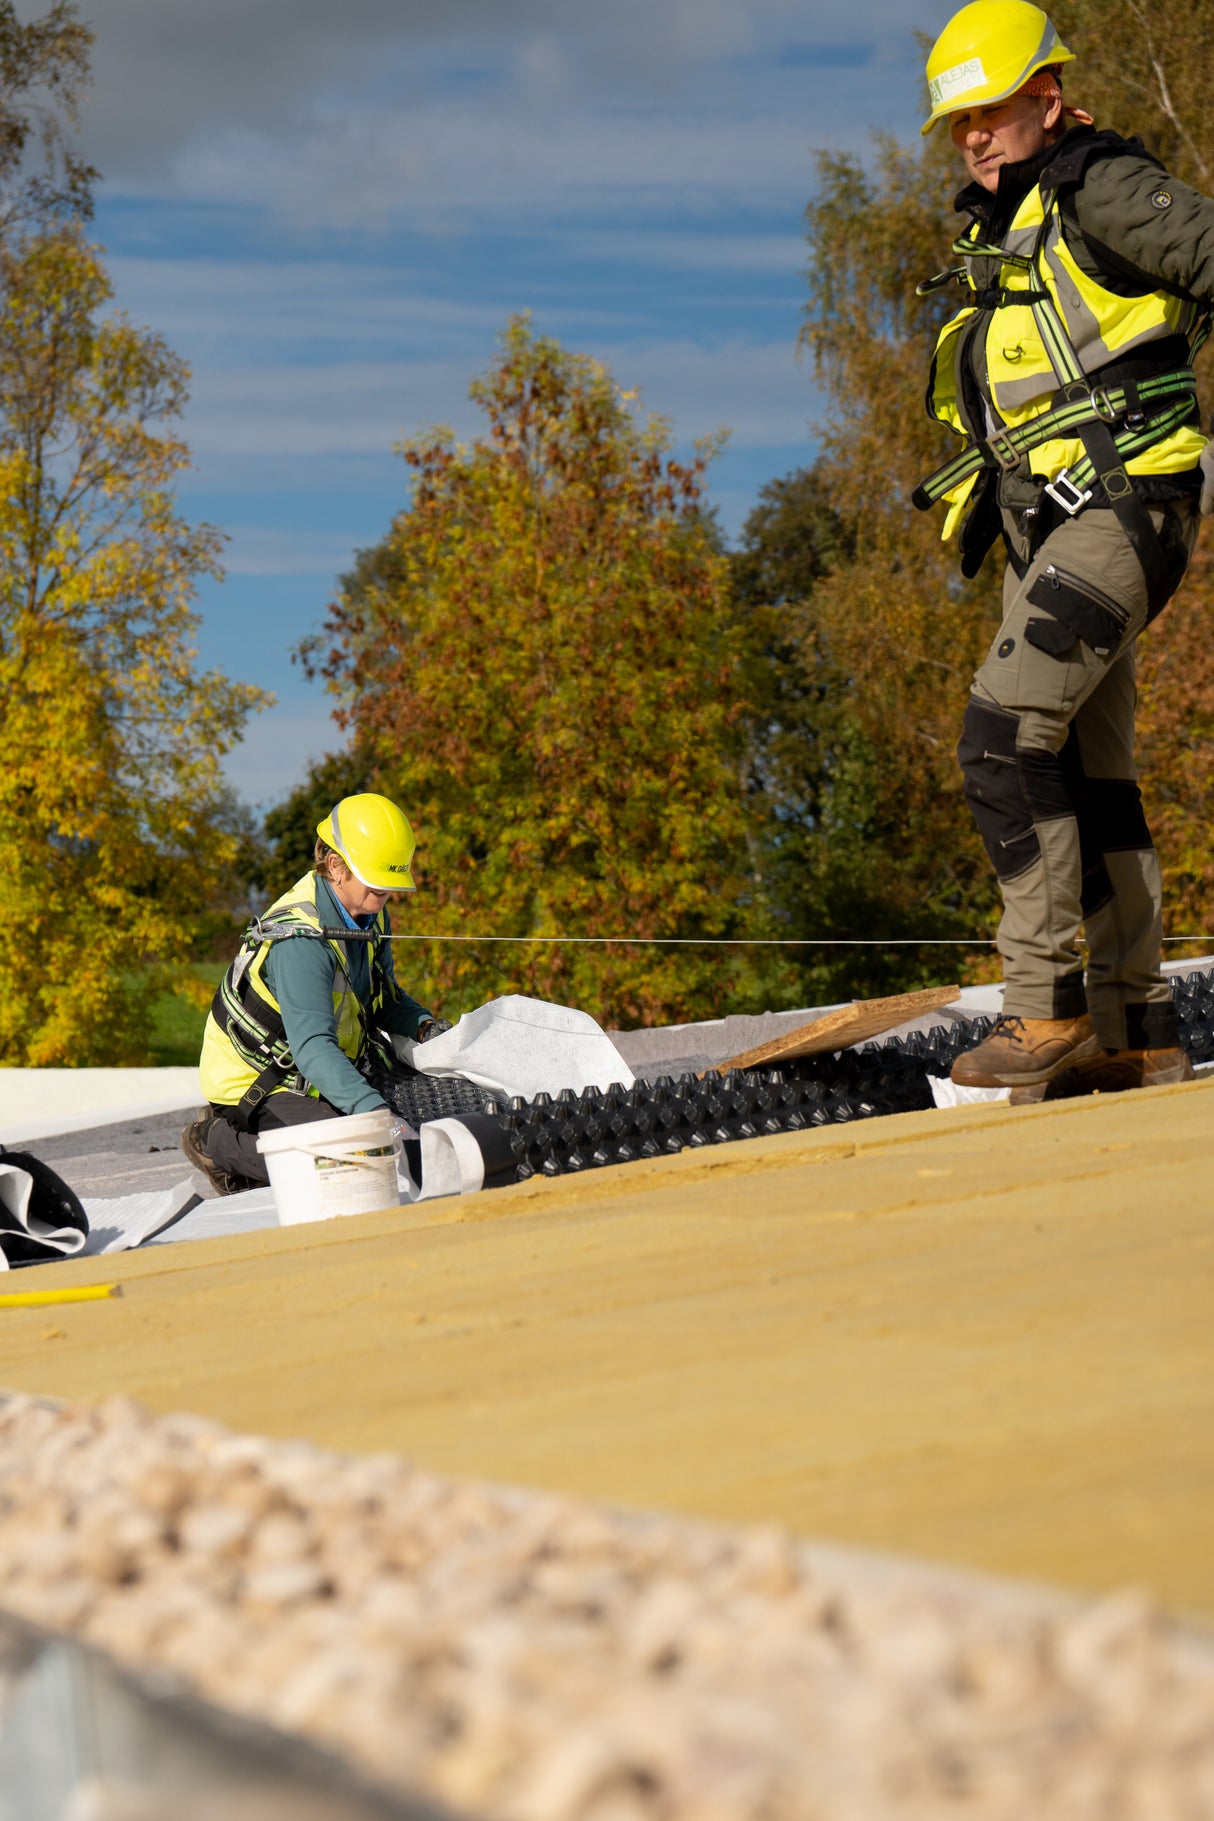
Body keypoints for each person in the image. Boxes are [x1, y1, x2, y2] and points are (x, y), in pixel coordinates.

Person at [915, 1, 1214, 1097]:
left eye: (988, 114)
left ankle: (1039, 1011)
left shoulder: (1098, 187)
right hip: (1057, 533)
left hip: (1124, 508)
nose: (971, 138)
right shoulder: (1002, 230)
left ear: (1045, 100)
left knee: (998, 739)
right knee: (1089, 771)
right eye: (957, 125)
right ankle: (1135, 1025)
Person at [181, 793, 451, 1194]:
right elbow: (313, 1048)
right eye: (376, 883)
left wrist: (426, 1027)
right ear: (336, 865)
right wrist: (379, 1117)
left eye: (389, 886)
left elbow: (382, 999)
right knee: (358, 1163)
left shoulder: (367, 911)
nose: (384, 895)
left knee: (411, 1128)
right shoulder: (300, 939)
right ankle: (215, 1142)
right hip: (263, 1080)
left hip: (316, 1071)